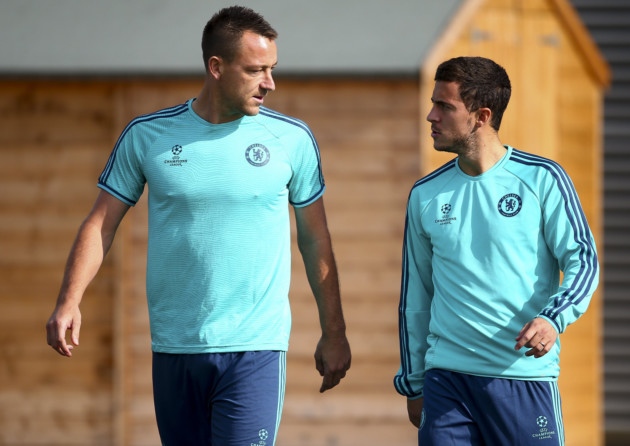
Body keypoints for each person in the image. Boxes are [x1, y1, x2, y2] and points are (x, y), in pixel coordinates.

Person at [46, 6, 351, 445]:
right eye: (256, 70)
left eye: (272, 69)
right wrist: (69, 300)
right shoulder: (147, 135)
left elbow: (315, 239)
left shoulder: (292, 140)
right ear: (216, 67)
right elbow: (101, 224)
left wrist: (334, 332)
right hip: (175, 347)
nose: (270, 83)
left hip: (255, 348)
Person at [394, 56, 599, 445]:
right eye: (433, 103)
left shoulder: (542, 179)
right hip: (446, 383)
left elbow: (583, 261)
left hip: (521, 379)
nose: (430, 116)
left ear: (482, 115)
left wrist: (553, 319)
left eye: (444, 106)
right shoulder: (424, 194)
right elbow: (415, 298)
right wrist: (415, 382)